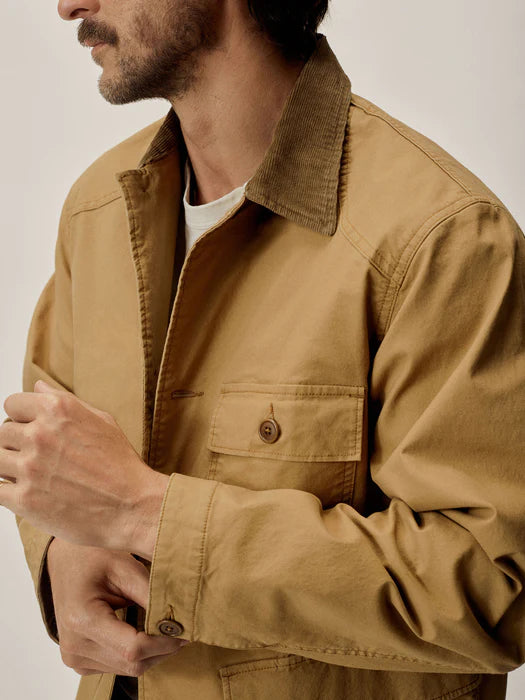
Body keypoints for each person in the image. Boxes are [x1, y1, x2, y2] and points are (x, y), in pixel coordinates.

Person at [1, 0, 524, 699]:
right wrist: (60, 554)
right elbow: (43, 451)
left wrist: (147, 512)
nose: (69, 4)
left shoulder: (440, 238)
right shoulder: (98, 209)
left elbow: (493, 594)